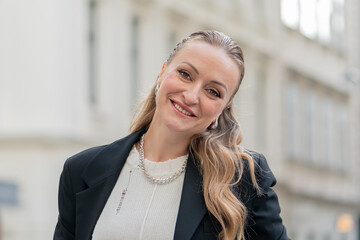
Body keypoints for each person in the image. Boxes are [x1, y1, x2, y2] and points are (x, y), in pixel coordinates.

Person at [54, 30, 290, 240]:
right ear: (162, 73)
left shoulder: (243, 179)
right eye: (186, 74)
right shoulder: (82, 170)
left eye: (213, 91)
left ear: (223, 108)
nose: (191, 96)